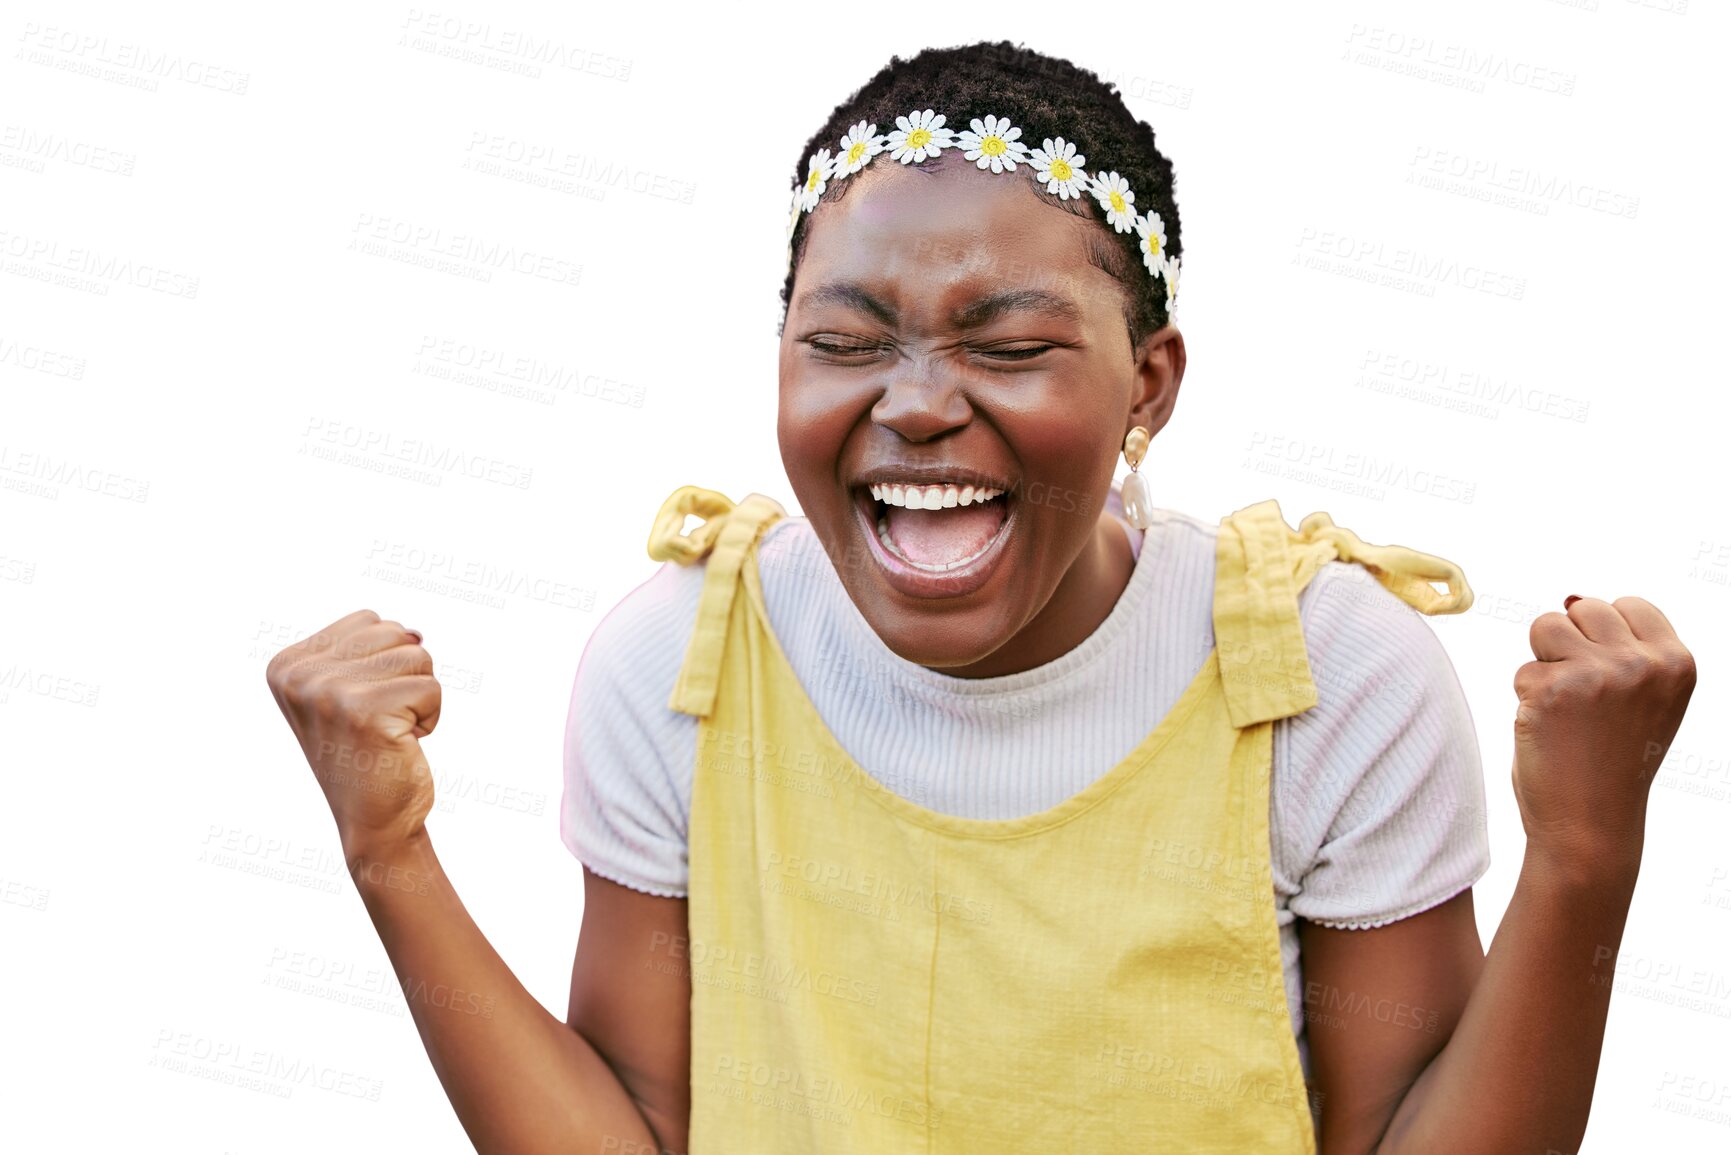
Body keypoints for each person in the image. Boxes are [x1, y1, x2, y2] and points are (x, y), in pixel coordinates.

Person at [265, 40, 1697, 1155]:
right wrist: (390, 853)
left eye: (1008, 347)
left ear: (1149, 385)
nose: (919, 405)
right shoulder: (683, 668)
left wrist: (1584, 856)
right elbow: (641, 1132)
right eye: (844, 339)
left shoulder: (1327, 677)